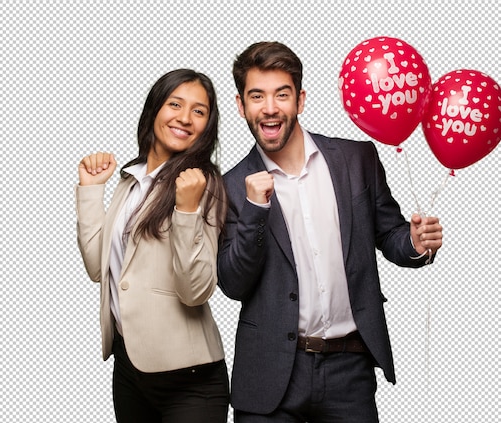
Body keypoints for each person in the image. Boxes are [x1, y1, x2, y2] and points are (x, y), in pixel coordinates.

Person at [217, 41, 443, 422]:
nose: (269, 108)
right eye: (257, 96)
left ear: (300, 100)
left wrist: (416, 242)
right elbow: (233, 284)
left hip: (348, 369)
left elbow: (391, 235)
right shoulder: (230, 186)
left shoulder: (357, 159)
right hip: (269, 375)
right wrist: (256, 209)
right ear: (241, 105)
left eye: (281, 95)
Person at [75, 69, 229, 422]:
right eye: (175, 104)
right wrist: (90, 190)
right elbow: (99, 267)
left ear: (208, 125)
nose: (185, 118)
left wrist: (187, 211)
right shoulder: (130, 180)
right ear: (155, 109)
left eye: (199, 111)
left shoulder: (205, 185)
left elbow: (196, 291)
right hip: (129, 370)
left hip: (189, 378)